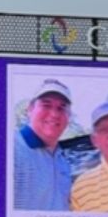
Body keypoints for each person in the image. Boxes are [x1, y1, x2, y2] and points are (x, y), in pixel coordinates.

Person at [13, 79, 73, 210]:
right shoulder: (11, 149)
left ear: (69, 116)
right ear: (30, 109)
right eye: (46, 105)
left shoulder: (62, 159)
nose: (54, 114)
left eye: (61, 108)